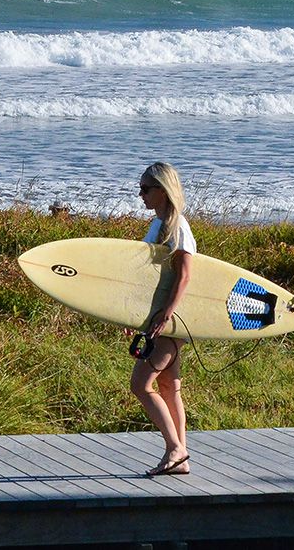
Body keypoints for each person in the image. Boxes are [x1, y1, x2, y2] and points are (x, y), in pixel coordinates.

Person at [132, 161, 194, 477]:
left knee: (141, 385)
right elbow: (151, 276)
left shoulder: (177, 226)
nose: (140, 194)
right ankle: (180, 459)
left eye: (145, 189)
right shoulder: (158, 225)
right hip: (159, 318)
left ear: (162, 191)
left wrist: (165, 316)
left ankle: (175, 448)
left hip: (170, 320)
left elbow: (184, 275)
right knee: (169, 387)